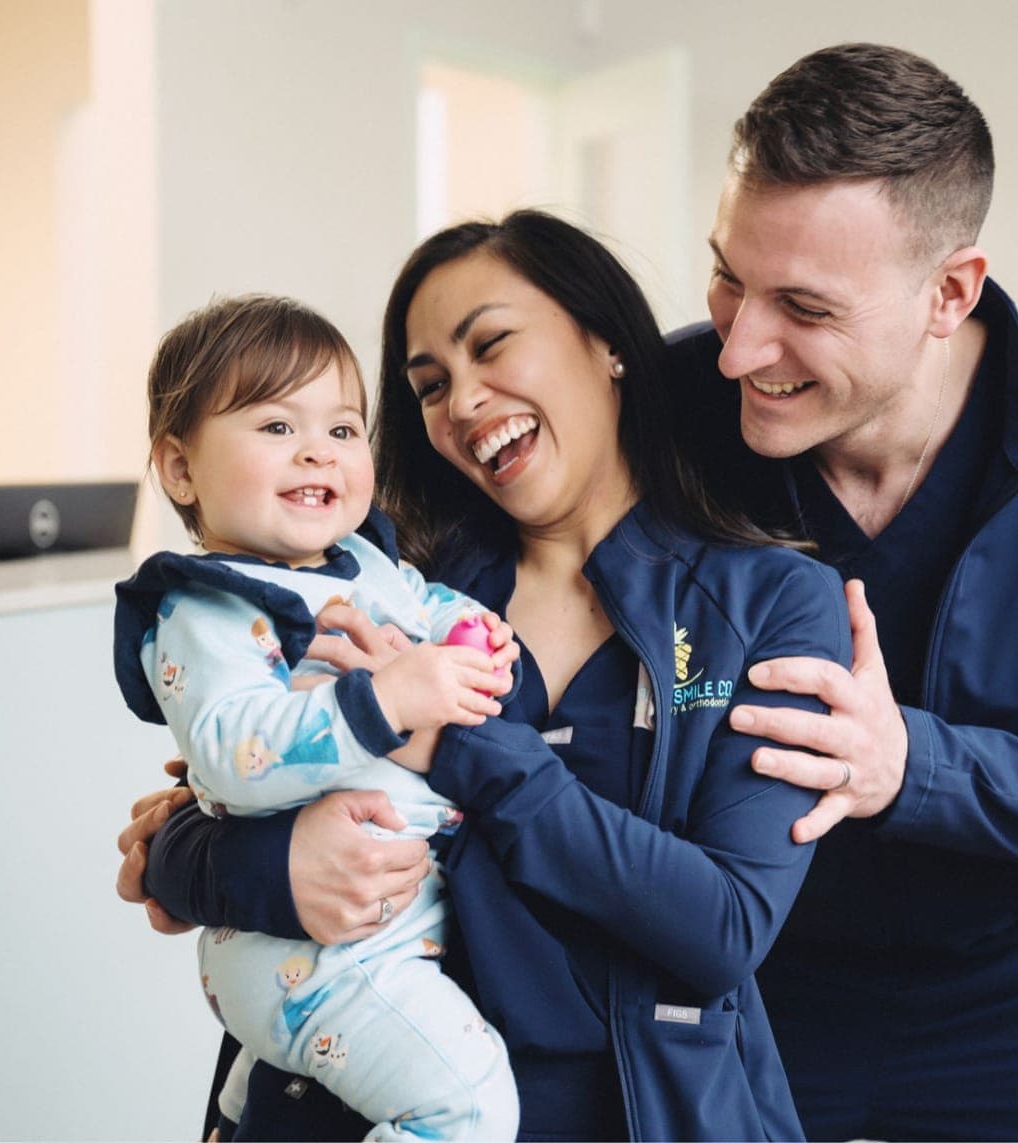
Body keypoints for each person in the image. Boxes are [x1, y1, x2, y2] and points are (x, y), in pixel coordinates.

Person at [125, 212, 853, 1140]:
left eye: (491, 345)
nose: (463, 400)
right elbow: (193, 825)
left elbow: (722, 926)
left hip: (635, 1111)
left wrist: (456, 742)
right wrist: (262, 861)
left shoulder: (771, 602)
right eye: (429, 386)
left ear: (607, 344)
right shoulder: (382, 586)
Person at [661, 43, 1018, 1141]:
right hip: (751, 980)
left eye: (802, 306)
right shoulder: (668, 416)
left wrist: (910, 765)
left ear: (950, 292)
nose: (739, 347)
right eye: (729, 276)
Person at [114, 293, 521, 1138]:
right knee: (470, 1103)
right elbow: (227, 754)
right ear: (181, 469)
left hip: (372, 938)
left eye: (342, 430)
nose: (317, 452)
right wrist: (385, 700)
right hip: (321, 956)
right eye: (274, 428)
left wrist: (471, 635)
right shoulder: (208, 607)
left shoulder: (362, 562)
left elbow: (426, 602)